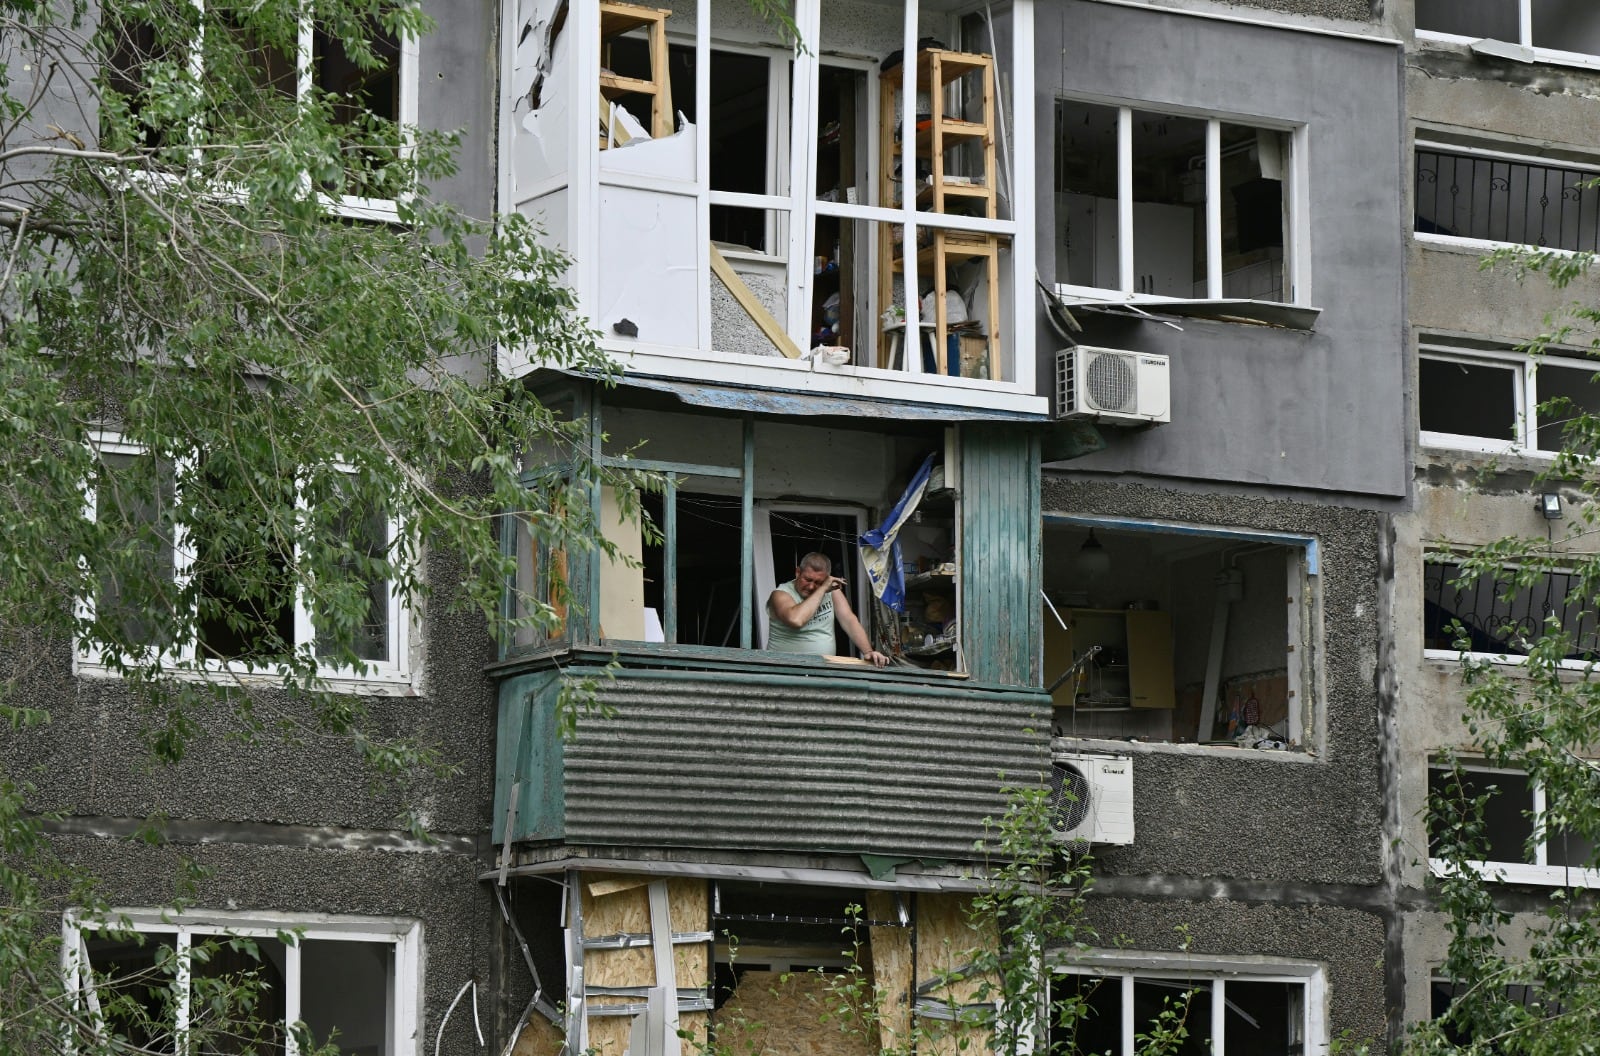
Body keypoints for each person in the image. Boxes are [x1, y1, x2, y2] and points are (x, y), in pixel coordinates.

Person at [767, 552, 890, 666]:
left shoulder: (831, 592)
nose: (811, 586)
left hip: (823, 668)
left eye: (818, 582)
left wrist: (868, 651)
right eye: (807, 579)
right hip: (785, 667)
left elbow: (849, 620)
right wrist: (823, 588)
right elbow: (796, 620)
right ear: (797, 572)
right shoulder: (780, 594)